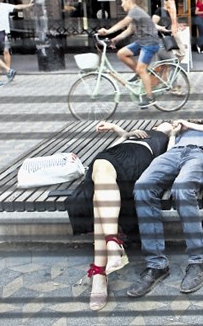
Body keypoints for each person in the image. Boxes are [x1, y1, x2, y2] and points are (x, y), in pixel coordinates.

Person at [65, 120, 174, 311]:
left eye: (170, 124)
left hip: (136, 161)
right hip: (109, 159)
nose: (167, 125)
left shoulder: (164, 139)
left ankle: (100, 272)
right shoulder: (141, 133)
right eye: (164, 124)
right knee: (100, 165)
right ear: (155, 126)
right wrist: (122, 132)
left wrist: (172, 134)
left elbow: (171, 157)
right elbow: (117, 144)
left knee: (99, 198)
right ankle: (112, 244)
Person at [128, 120, 203, 297]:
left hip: (200, 155)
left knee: (182, 188)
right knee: (142, 187)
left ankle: (198, 261)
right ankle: (156, 265)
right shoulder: (179, 136)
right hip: (172, 155)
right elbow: (168, 150)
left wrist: (191, 124)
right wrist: (175, 134)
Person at [98, 0, 162, 109]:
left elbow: (123, 23)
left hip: (150, 43)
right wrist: (115, 39)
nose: (122, 5)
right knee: (122, 53)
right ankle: (140, 75)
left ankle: (150, 98)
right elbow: (130, 29)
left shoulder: (135, 11)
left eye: (122, 1)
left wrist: (108, 31)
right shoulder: (135, 13)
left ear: (128, 0)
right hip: (142, 41)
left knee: (141, 69)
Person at [0, 0, 34, 83]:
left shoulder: (4, 6)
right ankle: (5, 70)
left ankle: (8, 70)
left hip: (5, 33)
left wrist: (28, 5)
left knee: (6, 52)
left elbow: (17, 6)